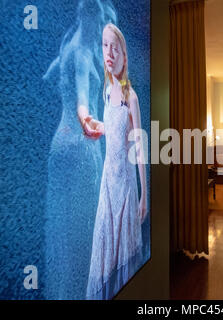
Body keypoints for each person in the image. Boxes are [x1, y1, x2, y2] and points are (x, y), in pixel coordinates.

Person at [43, 0, 117, 300]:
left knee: (64, 231)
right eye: (100, 22)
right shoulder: (83, 54)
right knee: (83, 231)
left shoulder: (67, 45)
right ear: (90, 16)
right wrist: (107, 126)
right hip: (80, 149)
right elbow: (83, 104)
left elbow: (49, 77)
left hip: (59, 146)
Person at [86, 23, 147, 300]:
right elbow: (112, 131)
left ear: (124, 54)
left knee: (123, 256)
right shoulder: (105, 92)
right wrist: (96, 125)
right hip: (106, 184)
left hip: (124, 184)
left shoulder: (130, 97)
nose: (108, 52)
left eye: (115, 47)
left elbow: (139, 148)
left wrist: (144, 195)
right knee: (104, 251)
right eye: (104, 45)